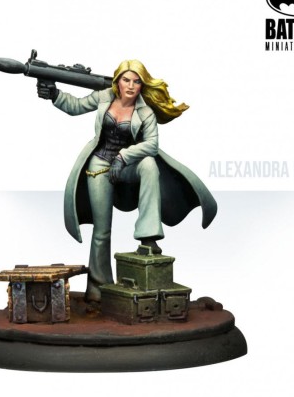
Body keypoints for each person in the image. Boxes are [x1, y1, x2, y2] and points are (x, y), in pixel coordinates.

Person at [37, 60, 217, 304]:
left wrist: (124, 156)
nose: (131, 86)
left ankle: (148, 237)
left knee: (149, 164)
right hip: (99, 168)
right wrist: (54, 94)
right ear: (117, 82)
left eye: (136, 81)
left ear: (142, 85)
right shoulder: (104, 97)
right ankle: (98, 288)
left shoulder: (145, 112)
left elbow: (152, 145)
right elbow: (76, 106)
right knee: (101, 231)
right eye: (126, 80)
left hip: (127, 167)